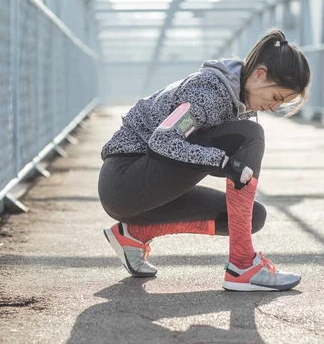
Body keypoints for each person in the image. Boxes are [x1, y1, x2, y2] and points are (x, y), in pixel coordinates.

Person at [98, 29, 311, 292]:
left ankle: (133, 235)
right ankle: (243, 265)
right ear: (259, 74)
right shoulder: (208, 92)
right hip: (125, 181)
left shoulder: (237, 103)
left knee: (252, 217)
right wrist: (221, 162)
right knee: (251, 135)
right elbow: (163, 141)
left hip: (145, 193)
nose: (275, 107)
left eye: (283, 103)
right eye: (276, 97)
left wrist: (223, 164)